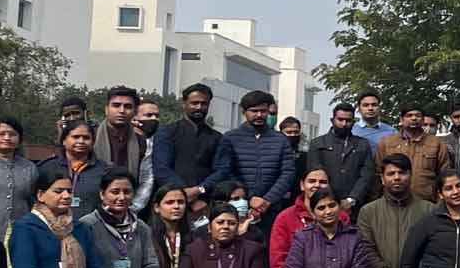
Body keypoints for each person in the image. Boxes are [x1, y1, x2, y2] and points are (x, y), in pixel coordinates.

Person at [206, 91, 297, 234]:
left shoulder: (280, 140)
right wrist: (249, 197)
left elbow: (288, 173)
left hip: (272, 208)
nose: (259, 115)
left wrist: (267, 200)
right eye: (254, 111)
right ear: (244, 112)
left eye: (263, 111)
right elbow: (225, 171)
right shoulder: (230, 138)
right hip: (238, 208)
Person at [154, 84, 223, 202]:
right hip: (170, 200)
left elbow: (221, 170)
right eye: (194, 103)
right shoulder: (167, 132)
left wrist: (200, 189)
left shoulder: (217, 138)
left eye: (204, 104)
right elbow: (161, 168)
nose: (199, 107)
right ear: (184, 103)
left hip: (204, 201)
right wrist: (183, 192)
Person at [92, 87, 154, 212]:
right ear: (106, 109)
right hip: (91, 206)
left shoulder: (142, 141)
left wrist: (133, 208)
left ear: (135, 111)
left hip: (129, 209)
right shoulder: (90, 136)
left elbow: (146, 180)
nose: (121, 111)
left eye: (127, 106)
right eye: (116, 105)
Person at [307, 103, 374, 213]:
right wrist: (331, 201)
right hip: (324, 205)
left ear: (353, 122)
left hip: (355, 206)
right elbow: (315, 175)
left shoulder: (362, 144)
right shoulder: (317, 143)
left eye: (348, 121)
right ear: (332, 120)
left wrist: (351, 199)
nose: (344, 124)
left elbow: (366, 174)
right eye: (340, 119)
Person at [35, 122, 110, 221]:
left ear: (93, 142)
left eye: (86, 138)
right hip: (52, 226)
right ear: (64, 141)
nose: (81, 141)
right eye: (75, 137)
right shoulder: (46, 167)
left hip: (90, 226)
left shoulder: (104, 170)